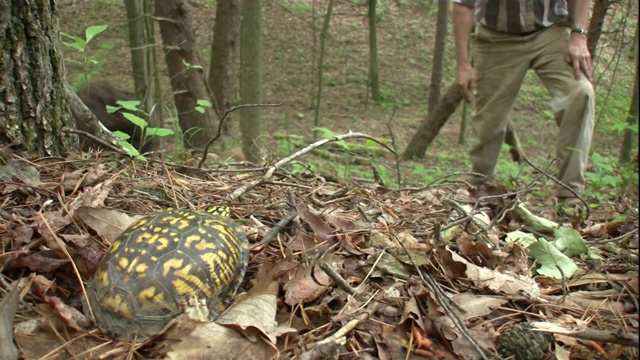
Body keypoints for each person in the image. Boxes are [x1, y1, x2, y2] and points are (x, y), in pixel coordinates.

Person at [452, 0, 595, 216]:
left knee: (580, 93)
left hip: (552, 30)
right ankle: (475, 194)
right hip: (496, 37)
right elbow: (463, 5)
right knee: (488, 120)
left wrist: (579, 34)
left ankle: (570, 198)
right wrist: (463, 64)